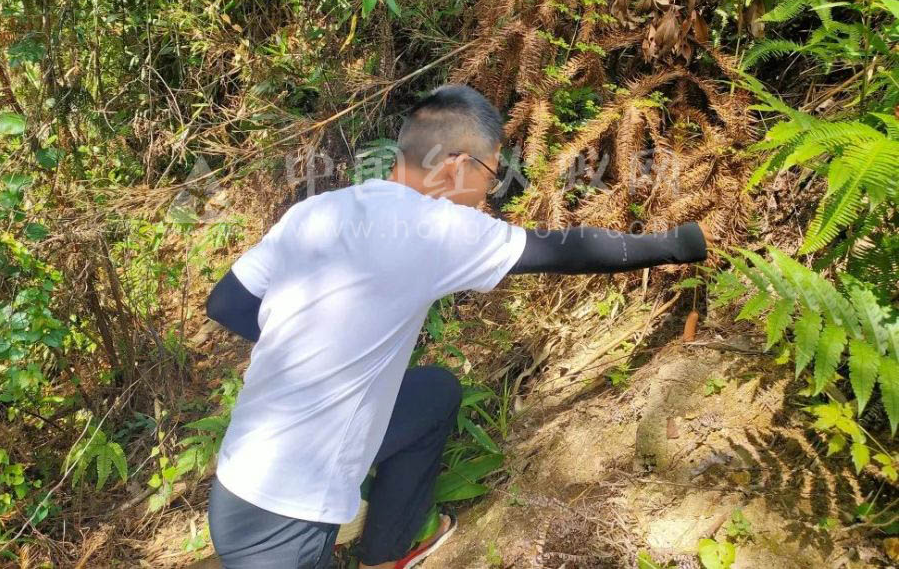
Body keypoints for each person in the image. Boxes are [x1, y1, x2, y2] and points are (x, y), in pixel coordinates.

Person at [204, 84, 708, 569]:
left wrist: (316, 350)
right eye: (491, 172)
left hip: (240, 475)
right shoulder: (434, 228)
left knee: (432, 394)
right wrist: (676, 244)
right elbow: (565, 249)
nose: (489, 190)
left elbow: (226, 302)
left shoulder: (317, 210)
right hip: (285, 513)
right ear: (455, 167)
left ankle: (383, 554)